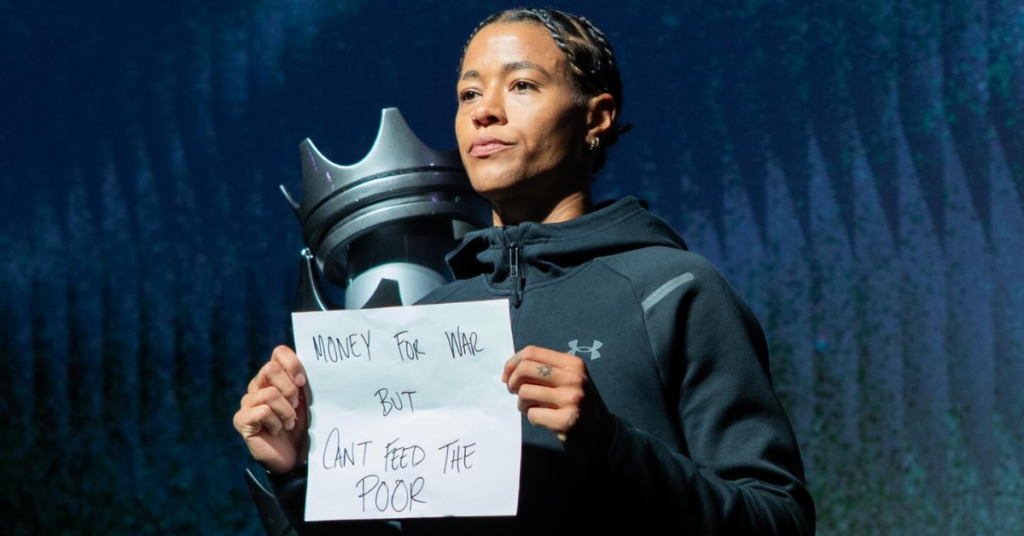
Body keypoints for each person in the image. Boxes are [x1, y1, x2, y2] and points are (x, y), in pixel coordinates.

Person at [233, 8, 816, 535]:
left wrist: (611, 443)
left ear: (598, 117)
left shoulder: (672, 290)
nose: (484, 110)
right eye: (467, 94)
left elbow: (779, 521)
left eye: (521, 85)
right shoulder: (425, 325)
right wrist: (298, 471)